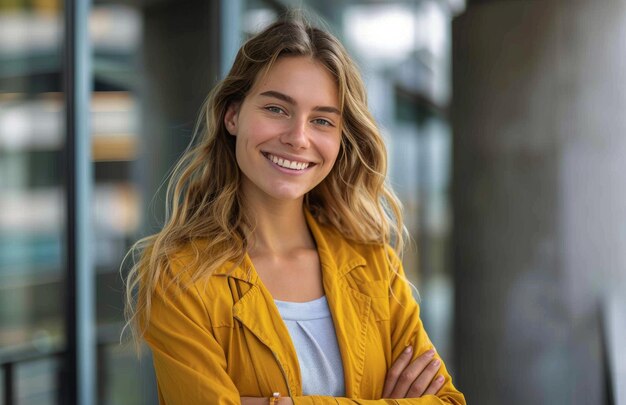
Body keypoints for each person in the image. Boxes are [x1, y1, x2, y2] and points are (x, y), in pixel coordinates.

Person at [124, 14, 465, 405]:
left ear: (339, 139)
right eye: (276, 109)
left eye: (321, 120)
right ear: (232, 116)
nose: (298, 138)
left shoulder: (373, 263)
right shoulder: (183, 275)